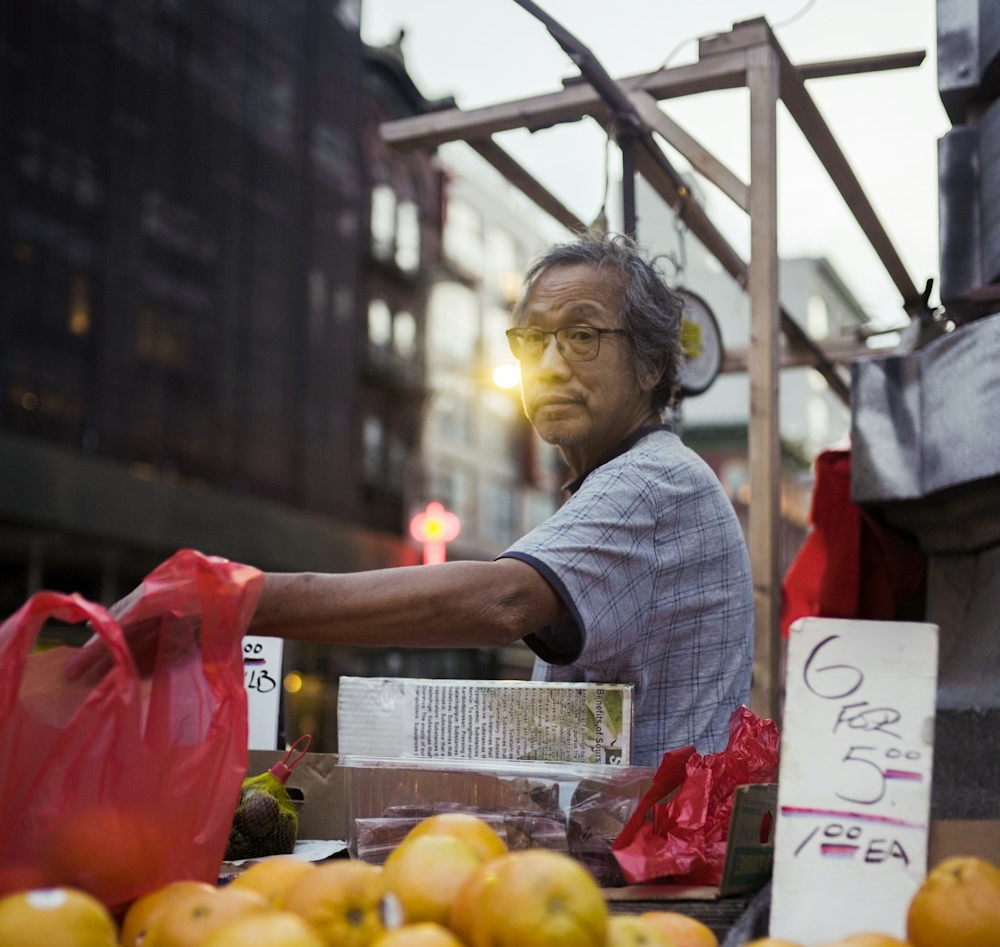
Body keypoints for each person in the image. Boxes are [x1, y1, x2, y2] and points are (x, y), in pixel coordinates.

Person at [76, 233, 754, 767]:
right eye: (531, 341)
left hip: (664, 879)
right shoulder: (625, 480)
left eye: (581, 336)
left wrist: (227, 602)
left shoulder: (653, 481)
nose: (549, 364)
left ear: (653, 365)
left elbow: (502, 600)